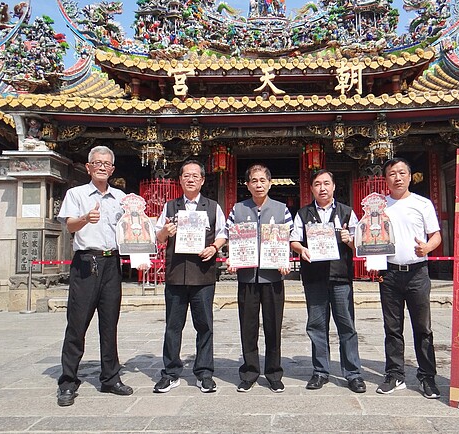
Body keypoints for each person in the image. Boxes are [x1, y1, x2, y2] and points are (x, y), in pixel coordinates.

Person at [56, 145, 132, 407]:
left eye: (107, 163)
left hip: (112, 263)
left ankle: (110, 377)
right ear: (88, 167)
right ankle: (67, 381)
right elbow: (69, 225)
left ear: (112, 169)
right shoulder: (76, 194)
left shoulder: (121, 197)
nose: (102, 167)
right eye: (97, 162)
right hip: (87, 262)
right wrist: (85, 219)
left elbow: (130, 229)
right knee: (77, 324)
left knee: (109, 323)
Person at [153, 160, 227, 394]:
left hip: (203, 274)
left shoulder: (213, 206)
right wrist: (166, 231)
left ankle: (204, 372)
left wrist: (214, 248)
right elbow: (159, 237)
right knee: (173, 326)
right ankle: (171, 372)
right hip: (176, 273)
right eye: (187, 176)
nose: (191, 179)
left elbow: (223, 233)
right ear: (180, 180)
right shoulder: (170, 206)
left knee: (204, 325)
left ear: (202, 180)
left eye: (196, 176)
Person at [290, 170, 366, 393]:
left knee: (347, 326)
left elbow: (360, 244)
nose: (322, 188)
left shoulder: (347, 212)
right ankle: (320, 371)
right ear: (312, 188)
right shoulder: (304, 214)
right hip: (314, 277)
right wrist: (301, 248)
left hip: (341, 277)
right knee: (316, 326)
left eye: (326, 183)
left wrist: (349, 239)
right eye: (317, 184)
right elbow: (294, 239)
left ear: (334, 186)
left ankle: (353, 373)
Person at [375, 157, 442, 399]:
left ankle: (427, 377)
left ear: (410, 176)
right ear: (386, 179)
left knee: (423, 328)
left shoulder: (422, 203)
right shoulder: (379, 206)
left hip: (417, 273)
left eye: (402, 172)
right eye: (392, 173)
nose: (398, 177)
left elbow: (436, 235)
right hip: (390, 274)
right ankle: (395, 375)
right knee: (392, 328)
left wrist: (427, 248)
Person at [224, 164, 293, 393]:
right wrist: (231, 258)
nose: (259, 184)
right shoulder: (238, 209)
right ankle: (249, 372)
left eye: (263, 180)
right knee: (248, 327)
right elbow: (229, 237)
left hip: (273, 277)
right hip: (247, 277)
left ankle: (274, 373)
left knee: (273, 327)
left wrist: (286, 259)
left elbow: (289, 239)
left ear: (270, 182)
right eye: (254, 180)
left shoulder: (282, 209)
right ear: (248, 184)